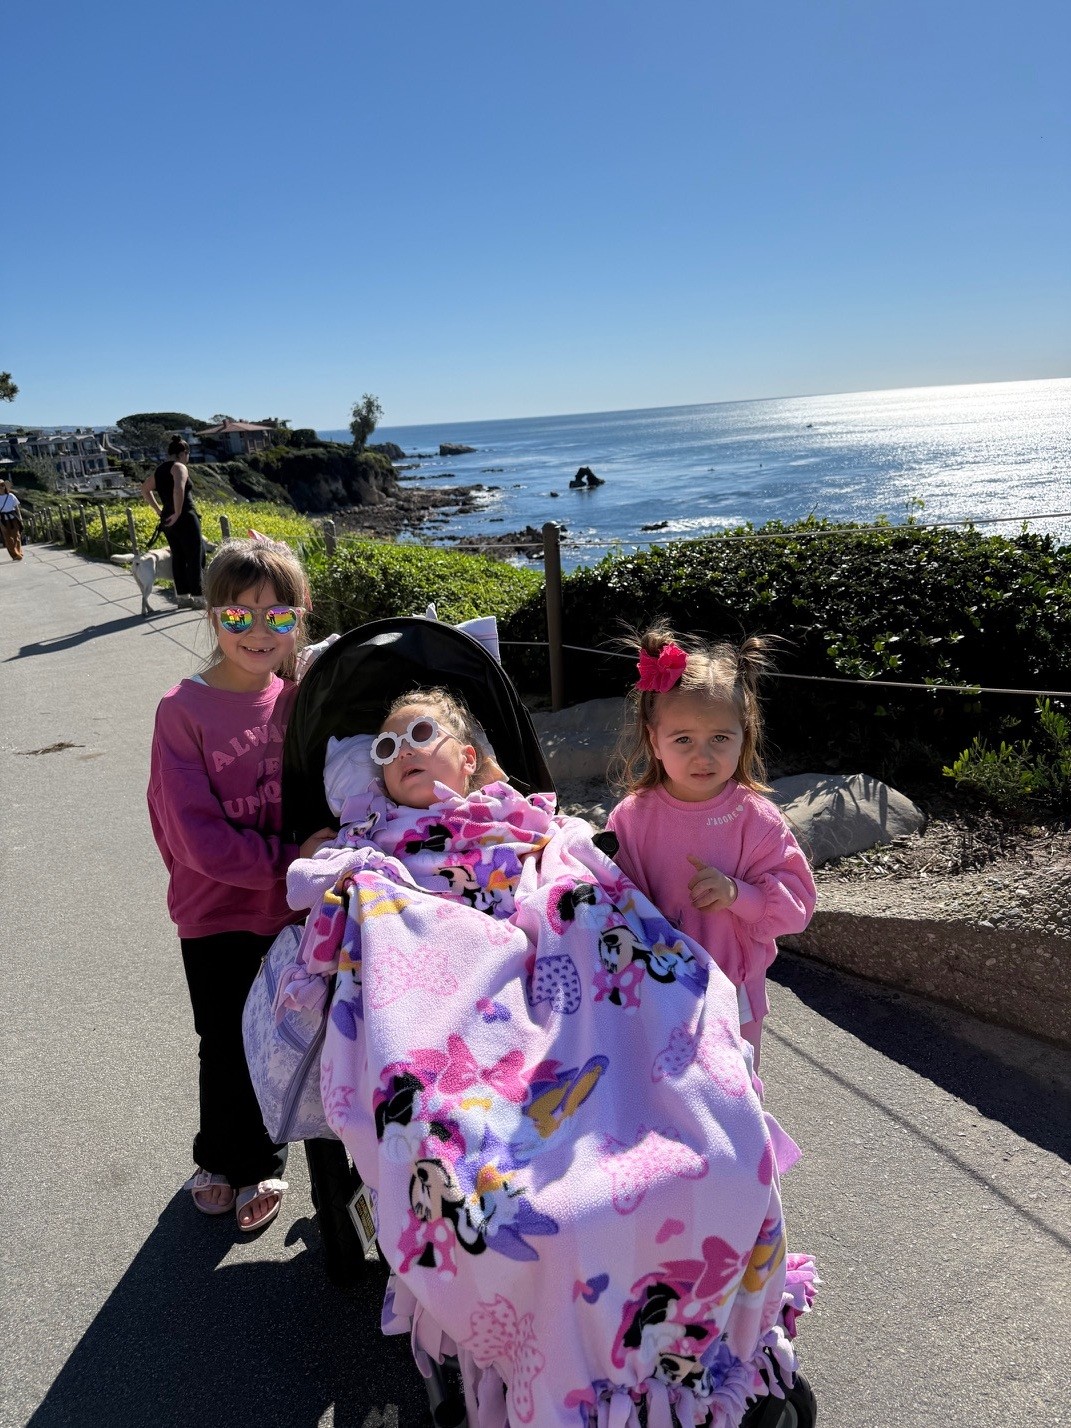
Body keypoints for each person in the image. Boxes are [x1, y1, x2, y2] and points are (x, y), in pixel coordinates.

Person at [147, 537, 335, 1230]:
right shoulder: (183, 710)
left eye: (277, 618)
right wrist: (291, 862)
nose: (259, 633)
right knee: (224, 1039)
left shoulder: (298, 703)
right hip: (216, 909)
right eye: (239, 618)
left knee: (285, 1035)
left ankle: (262, 1162)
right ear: (212, 617)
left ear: (300, 617)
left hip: (291, 911)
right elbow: (194, 839)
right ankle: (217, 1155)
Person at [605, 623, 816, 1067]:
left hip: (733, 986)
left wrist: (739, 895)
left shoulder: (755, 818)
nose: (704, 755)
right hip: (654, 985)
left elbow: (797, 903)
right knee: (666, 1090)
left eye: (720, 738)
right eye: (683, 740)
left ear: (744, 734)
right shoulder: (632, 817)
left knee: (735, 1091)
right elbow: (610, 896)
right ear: (653, 741)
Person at [140, 436, 205, 608]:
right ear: (183, 453)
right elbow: (178, 489)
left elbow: (145, 489)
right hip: (184, 515)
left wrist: (159, 510)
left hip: (167, 518)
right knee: (194, 556)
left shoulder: (160, 470)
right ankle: (199, 597)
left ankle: (183, 596)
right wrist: (177, 512)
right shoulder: (179, 467)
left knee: (178, 556)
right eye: (187, 454)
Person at [0, 479, 23, 561]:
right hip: (2, 520)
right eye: (0, 486)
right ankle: (15, 554)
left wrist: (20, 517)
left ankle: (18, 552)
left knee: (16, 536)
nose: (1, 487)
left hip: (13, 518)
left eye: (2, 485)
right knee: (7, 538)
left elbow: (17, 507)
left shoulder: (11, 496)